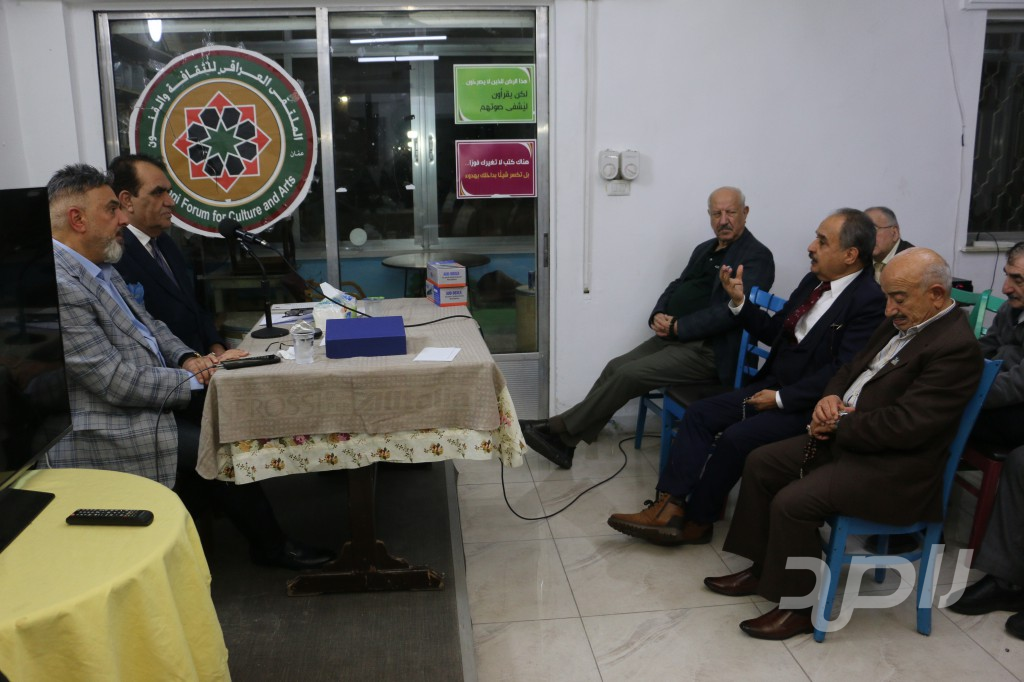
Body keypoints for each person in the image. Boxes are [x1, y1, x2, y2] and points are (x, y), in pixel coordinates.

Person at [45, 163, 332, 570]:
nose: (123, 218)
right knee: (217, 444)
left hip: (150, 400)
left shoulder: (100, 267)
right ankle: (270, 547)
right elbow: (114, 381)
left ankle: (225, 539)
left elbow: (152, 327)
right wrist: (199, 376)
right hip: (113, 423)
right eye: (111, 209)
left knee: (225, 419)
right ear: (77, 219)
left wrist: (193, 359)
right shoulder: (61, 284)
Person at [703, 248, 983, 640]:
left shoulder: (955, 348)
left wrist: (838, 424)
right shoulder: (902, 319)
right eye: (887, 297)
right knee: (761, 462)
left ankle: (799, 607)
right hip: (853, 441)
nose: (888, 309)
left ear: (936, 294)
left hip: (895, 470)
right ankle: (764, 568)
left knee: (793, 502)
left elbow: (908, 426)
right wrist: (829, 399)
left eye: (898, 298)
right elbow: (850, 368)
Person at [608, 208, 886, 546]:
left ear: (850, 255)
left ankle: (698, 521)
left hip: (806, 405)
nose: (811, 246)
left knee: (736, 438)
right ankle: (669, 507)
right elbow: (775, 331)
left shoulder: (869, 301)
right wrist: (740, 302)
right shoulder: (813, 282)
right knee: (699, 414)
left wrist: (780, 399)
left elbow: (842, 371)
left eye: (822, 241)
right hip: (771, 385)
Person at [522, 186, 775, 468]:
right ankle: (565, 443)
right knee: (615, 367)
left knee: (628, 374)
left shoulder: (757, 256)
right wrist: (659, 313)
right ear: (709, 215)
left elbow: (732, 312)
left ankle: (558, 429)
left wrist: (679, 326)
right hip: (675, 338)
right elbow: (678, 285)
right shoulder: (705, 248)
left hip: (710, 351)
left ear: (745, 213)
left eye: (731, 212)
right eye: (716, 213)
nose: (723, 220)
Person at [947, 242, 1024, 636]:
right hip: (1001, 403)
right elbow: (982, 350)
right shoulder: (1012, 310)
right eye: (1009, 276)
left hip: (1014, 409)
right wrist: (953, 374)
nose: (1006, 288)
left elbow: (1017, 386)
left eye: (1018, 279)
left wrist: (962, 393)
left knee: (939, 417)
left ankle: (905, 516)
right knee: (933, 408)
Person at [109, 154, 229, 357]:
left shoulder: (164, 242)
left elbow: (191, 305)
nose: (170, 202)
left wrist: (216, 345)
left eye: (168, 192)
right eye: (158, 193)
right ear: (127, 200)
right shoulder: (115, 254)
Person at [866, 206, 914, 283]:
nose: (866, 236)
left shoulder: (915, 262)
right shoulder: (858, 262)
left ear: (894, 233)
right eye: (862, 231)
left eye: (873, 229)